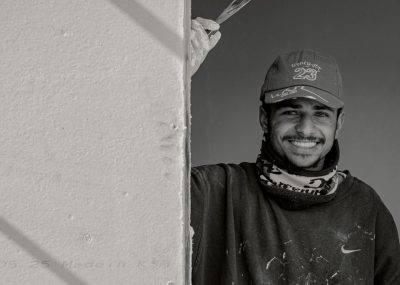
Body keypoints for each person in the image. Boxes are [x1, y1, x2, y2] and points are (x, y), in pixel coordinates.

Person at [190, 18, 400, 284]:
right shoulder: (216, 191)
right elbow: (136, 188)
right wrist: (170, 77)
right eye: (291, 112)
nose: (305, 128)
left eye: (321, 114)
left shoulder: (366, 207)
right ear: (265, 119)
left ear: (338, 124)